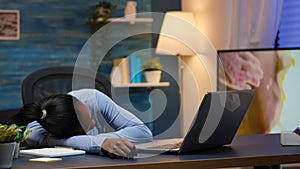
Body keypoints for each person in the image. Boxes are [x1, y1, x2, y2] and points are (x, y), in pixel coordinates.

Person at [11, 88, 153, 158]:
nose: (93, 122)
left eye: (90, 114)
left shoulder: (92, 98)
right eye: (87, 125)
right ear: (65, 134)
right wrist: (100, 143)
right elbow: (37, 137)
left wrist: (101, 142)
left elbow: (143, 132)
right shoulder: (36, 131)